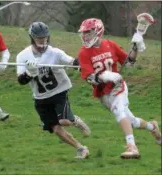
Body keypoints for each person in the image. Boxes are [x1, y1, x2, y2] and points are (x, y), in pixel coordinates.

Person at [77, 18, 161, 159]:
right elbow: (89, 78)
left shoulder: (110, 44)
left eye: (88, 32)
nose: (85, 36)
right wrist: (104, 76)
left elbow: (128, 64)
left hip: (118, 86)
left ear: (98, 31)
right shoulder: (83, 53)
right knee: (131, 121)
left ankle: (132, 146)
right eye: (84, 33)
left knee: (119, 111)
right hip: (103, 94)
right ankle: (153, 127)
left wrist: (135, 47)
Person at [16, 21, 90, 159]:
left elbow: (71, 61)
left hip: (59, 92)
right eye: (39, 38)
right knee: (56, 128)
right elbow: (20, 81)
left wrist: (81, 64)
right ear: (32, 38)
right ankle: (81, 148)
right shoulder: (22, 56)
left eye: (44, 38)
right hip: (40, 98)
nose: (42, 41)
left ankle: (75, 120)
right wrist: (29, 73)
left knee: (64, 121)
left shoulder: (54, 52)